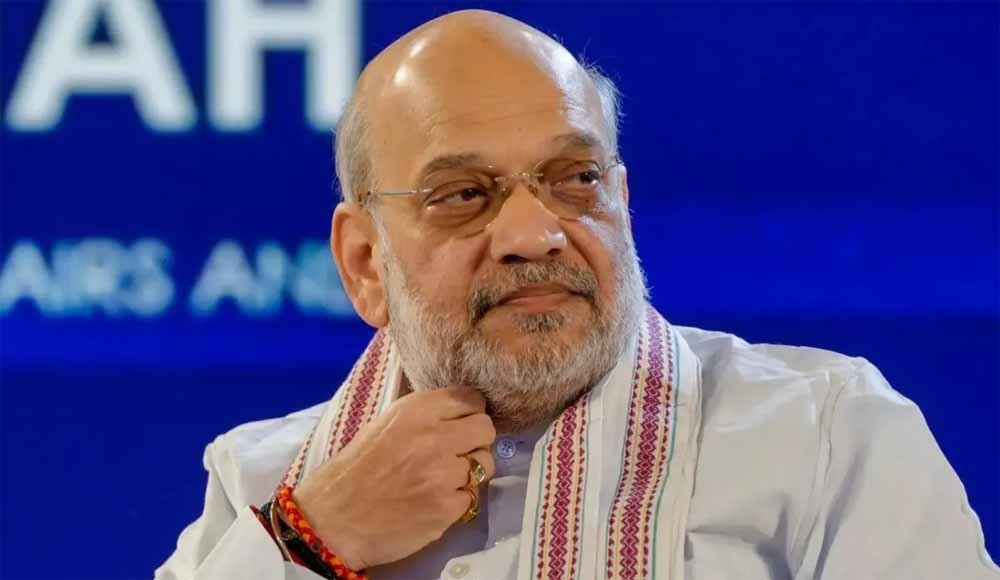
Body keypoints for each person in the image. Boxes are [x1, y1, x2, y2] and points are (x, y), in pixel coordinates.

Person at [156, 9, 998, 580]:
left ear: (622, 203)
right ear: (366, 262)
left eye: (575, 180)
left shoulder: (829, 434)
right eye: (464, 194)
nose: (535, 233)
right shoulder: (265, 484)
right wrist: (312, 540)